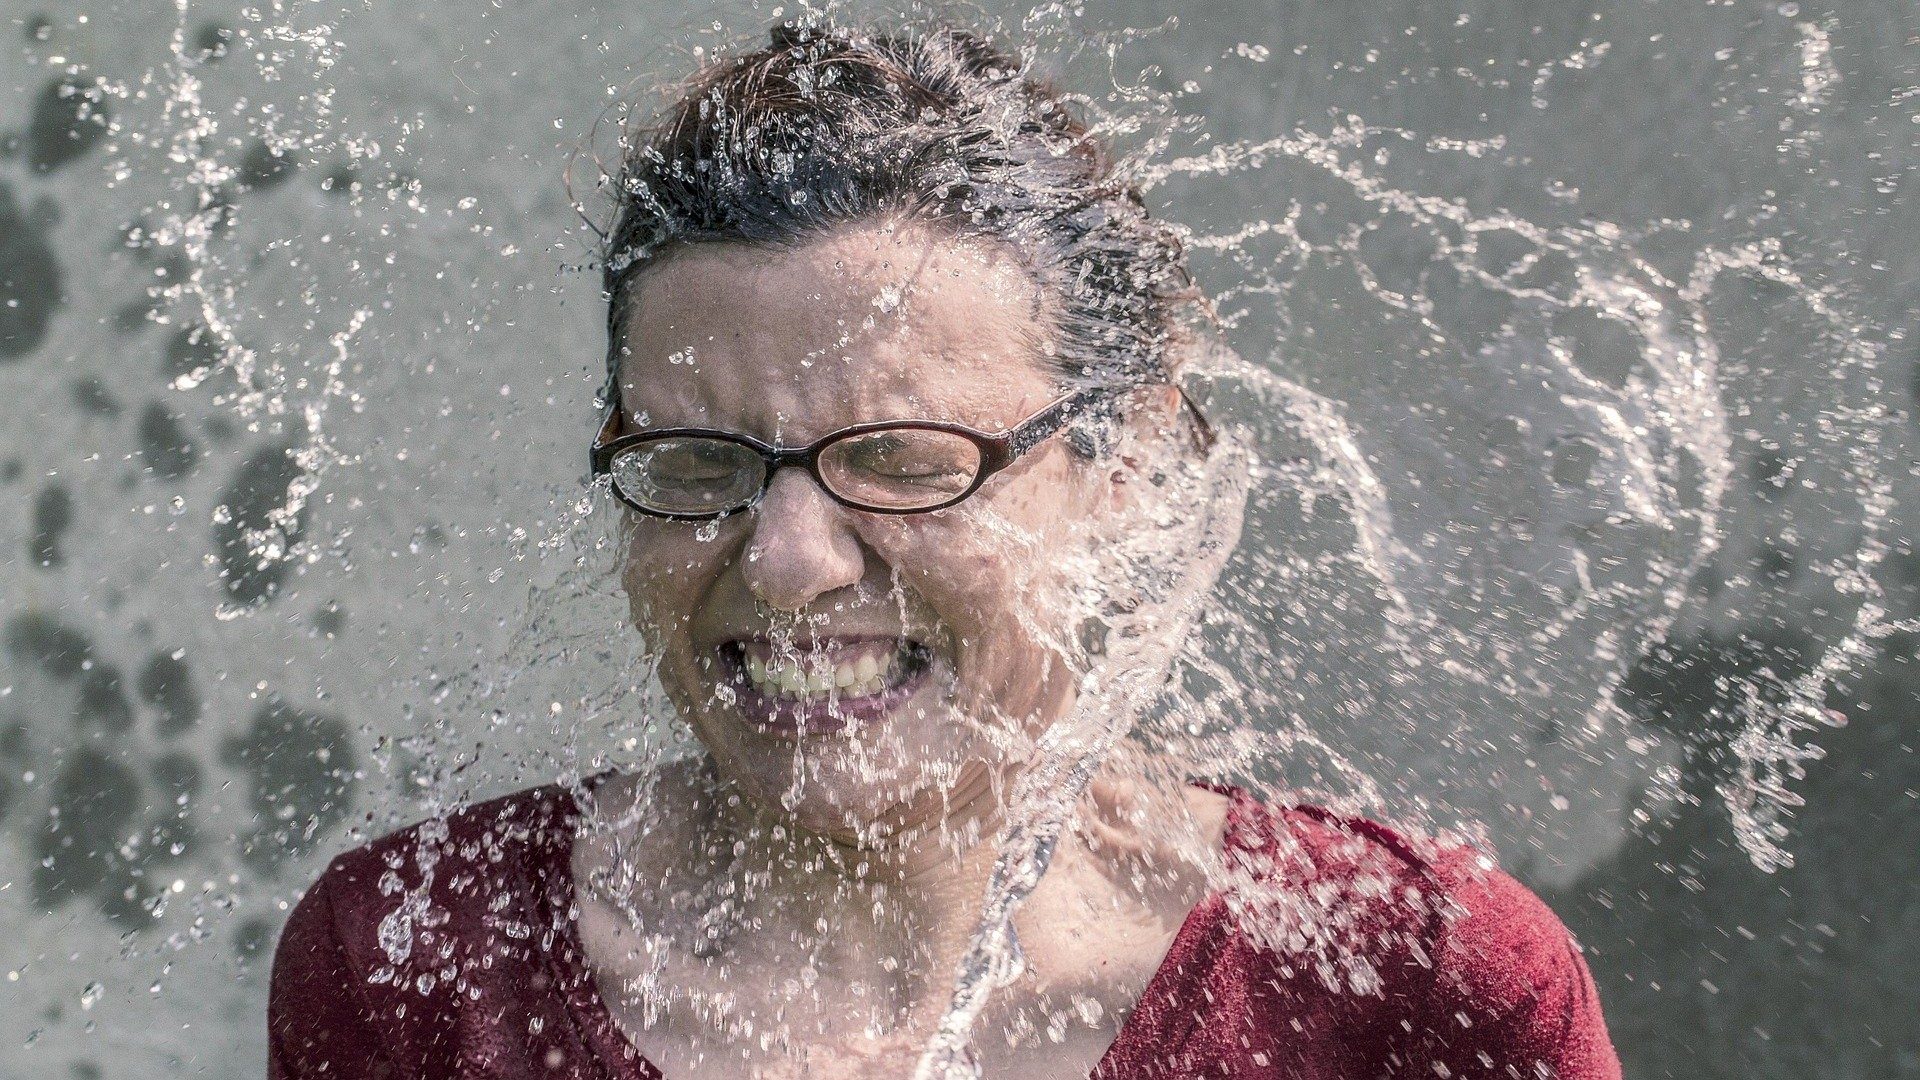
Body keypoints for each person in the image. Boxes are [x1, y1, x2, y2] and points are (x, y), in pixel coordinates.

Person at [269, 22, 1621, 1080]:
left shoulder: (1417, 985)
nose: (789, 561)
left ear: (1131, 467)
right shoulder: (415, 963)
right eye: (696, 468)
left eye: (905, 461)